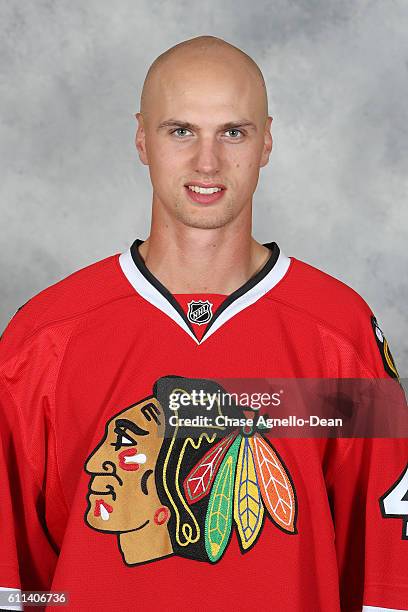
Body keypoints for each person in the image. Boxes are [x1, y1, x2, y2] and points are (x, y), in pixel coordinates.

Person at [0, 35, 406, 612]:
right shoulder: (42, 336)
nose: (207, 162)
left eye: (233, 132)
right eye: (181, 130)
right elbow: (15, 584)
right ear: (142, 137)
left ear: (267, 141)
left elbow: (385, 580)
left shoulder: (341, 332)